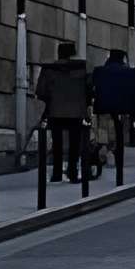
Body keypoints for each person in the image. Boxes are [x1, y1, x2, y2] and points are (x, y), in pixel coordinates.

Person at [34, 38, 95, 182]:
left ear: (59, 53)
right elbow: (89, 89)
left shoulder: (49, 69)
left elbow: (41, 91)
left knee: (57, 143)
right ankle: (73, 171)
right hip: (76, 110)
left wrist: (50, 100)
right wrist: (86, 104)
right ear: (73, 54)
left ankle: (56, 173)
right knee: (75, 143)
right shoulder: (82, 68)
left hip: (55, 110)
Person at [93, 49, 135, 162]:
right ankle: (115, 149)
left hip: (103, 105)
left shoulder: (99, 71)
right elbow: (132, 90)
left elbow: (93, 86)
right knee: (119, 130)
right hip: (122, 107)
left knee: (103, 128)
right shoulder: (128, 71)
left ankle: (103, 147)